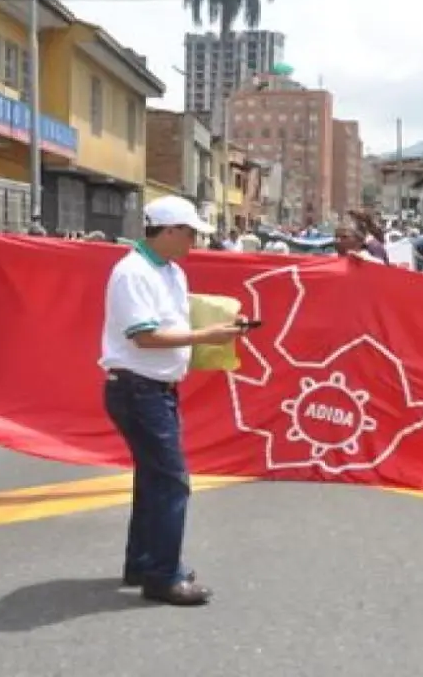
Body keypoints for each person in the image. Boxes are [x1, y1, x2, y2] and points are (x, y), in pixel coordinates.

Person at [100, 195, 247, 607]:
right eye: (189, 233)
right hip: (138, 387)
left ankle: (144, 562)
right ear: (167, 231)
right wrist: (207, 337)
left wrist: (217, 327)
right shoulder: (132, 273)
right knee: (170, 482)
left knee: (153, 480)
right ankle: (163, 576)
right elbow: (144, 336)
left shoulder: (170, 271)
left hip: (154, 387)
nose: (194, 241)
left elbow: (175, 322)